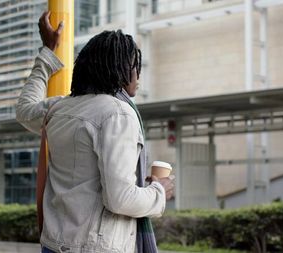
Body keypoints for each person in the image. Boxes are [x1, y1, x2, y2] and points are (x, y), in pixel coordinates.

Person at [16, 11, 175, 253]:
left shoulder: (60, 107)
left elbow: (25, 109)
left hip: (54, 244)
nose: (138, 74)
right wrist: (159, 192)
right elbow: (120, 198)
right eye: (134, 64)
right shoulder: (118, 114)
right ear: (119, 68)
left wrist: (48, 52)